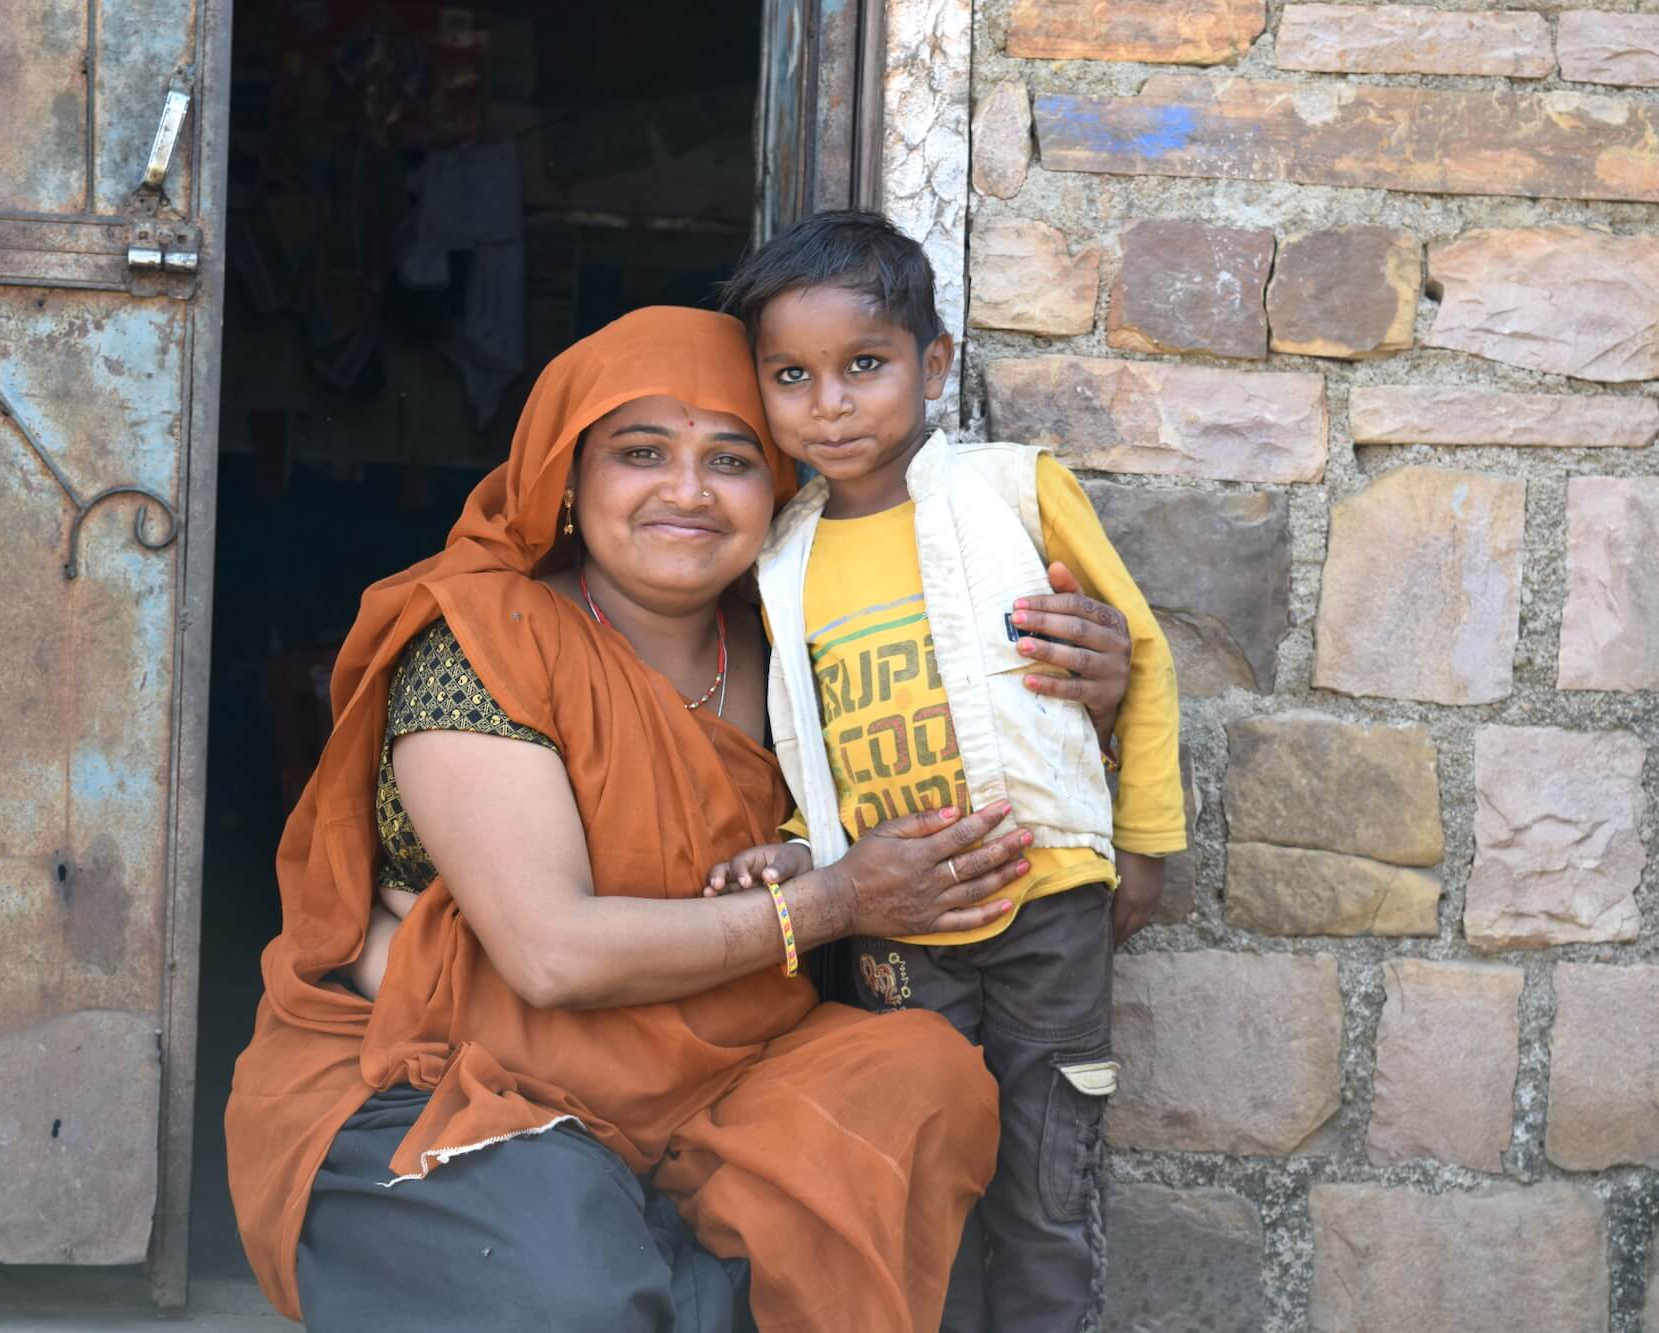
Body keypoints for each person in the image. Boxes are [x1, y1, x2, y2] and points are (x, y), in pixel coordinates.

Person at [224, 307, 1139, 1333]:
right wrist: (833, 900)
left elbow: (978, 760)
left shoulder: (800, 641)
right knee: (571, 1287)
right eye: (641, 452)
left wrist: (1089, 692)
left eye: (732, 460)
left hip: (723, 1069)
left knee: (920, 1080)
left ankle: (665, 1271)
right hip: (461, 1070)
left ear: (777, 486)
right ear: (569, 481)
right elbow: (552, 954)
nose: (688, 491)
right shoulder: (484, 639)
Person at [704, 211, 1187, 1332]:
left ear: (932, 364)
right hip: (896, 925)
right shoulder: (780, 555)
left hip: (1044, 896)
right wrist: (802, 846)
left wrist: (1146, 845)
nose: (829, 404)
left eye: (863, 366)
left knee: (1044, 1177)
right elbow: (809, 733)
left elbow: (1142, 658)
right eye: (791, 376)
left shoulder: (1014, 491)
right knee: (925, 1174)